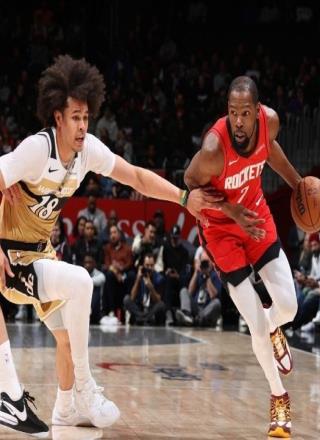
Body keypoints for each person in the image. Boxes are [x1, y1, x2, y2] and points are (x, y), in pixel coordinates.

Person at [0, 55, 220, 436]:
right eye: (75, 117)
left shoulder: (87, 151)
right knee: (81, 281)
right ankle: (84, 388)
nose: (83, 125)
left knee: (67, 339)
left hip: (39, 252)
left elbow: (135, 176)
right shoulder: (37, 149)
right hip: (11, 255)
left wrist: (184, 198)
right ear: (57, 118)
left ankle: (65, 409)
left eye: (86, 117)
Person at [184, 76, 300, 438]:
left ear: (257, 112)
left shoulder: (271, 122)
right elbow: (190, 181)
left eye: (245, 113)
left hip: (255, 216)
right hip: (220, 230)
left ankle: (275, 326)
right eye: (232, 112)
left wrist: (299, 185)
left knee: (289, 307)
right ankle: (279, 397)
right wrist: (229, 210)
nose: (237, 121)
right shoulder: (213, 149)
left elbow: (270, 150)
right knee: (254, 324)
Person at [175, 250, 222, 327]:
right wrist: (196, 272)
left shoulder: (215, 275)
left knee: (217, 302)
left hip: (207, 308)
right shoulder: (198, 274)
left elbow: (213, 296)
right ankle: (187, 314)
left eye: (206, 262)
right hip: (196, 307)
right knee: (183, 291)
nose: (205, 264)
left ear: (211, 262)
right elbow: (190, 292)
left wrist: (207, 277)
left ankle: (197, 319)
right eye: (203, 262)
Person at [124, 253, 167, 325]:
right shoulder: (138, 275)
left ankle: (140, 318)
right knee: (126, 299)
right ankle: (145, 318)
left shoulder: (159, 278)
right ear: (143, 265)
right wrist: (138, 279)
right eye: (147, 265)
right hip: (140, 308)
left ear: (154, 265)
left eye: (151, 265)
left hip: (151, 309)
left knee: (161, 305)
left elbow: (158, 300)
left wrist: (151, 287)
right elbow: (132, 297)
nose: (149, 268)